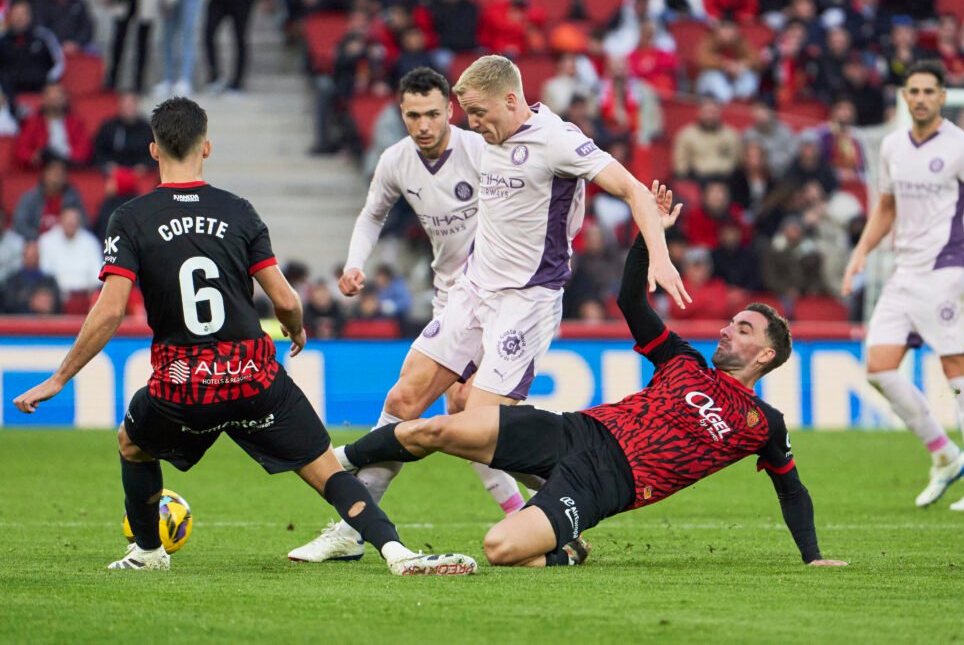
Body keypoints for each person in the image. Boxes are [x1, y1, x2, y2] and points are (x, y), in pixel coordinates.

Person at [12, 97, 476, 576]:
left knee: (132, 443)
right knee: (324, 470)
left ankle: (149, 553)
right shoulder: (239, 212)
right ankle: (397, 553)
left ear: (153, 150)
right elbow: (286, 300)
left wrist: (60, 378)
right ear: (206, 147)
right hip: (252, 373)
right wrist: (295, 331)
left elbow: (109, 312)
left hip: (184, 382)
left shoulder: (130, 218)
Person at [294, 55, 690, 559]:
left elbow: (634, 189)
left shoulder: (557, 140)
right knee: (405, 396)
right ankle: (353, 531)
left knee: (479, 432)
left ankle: (562, 507)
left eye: (476, 113)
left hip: (526, 302)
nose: (470, 124)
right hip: (472, 288)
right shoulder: (481, 139)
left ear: (510, 99)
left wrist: (659, 253)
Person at [331, 184, 846, 569]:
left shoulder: (764, 423)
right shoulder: (684, 360)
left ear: (767, 353)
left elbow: (792, 491)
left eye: (742, 329)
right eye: (731, 323)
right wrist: (651, 235)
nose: (726, 331)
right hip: (577, 430)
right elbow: (630, 301)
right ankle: (331, 461)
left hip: (607, 482)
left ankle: (568, 552)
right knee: (436, 428)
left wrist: (813, 557)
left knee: (500, 548)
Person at [288, 67, 527, 562]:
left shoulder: (481, 151)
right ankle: (354, 530)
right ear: (402, 114)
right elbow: (373, 213)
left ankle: (553, 504)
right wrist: (355, 263)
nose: (423, 125)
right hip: (450, 300)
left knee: (469, 412)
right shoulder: (396, 160)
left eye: (433, 114)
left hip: (499, 299)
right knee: (425, 404)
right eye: (414, 115)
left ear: (450, 112)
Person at [841, 61, 964, 511]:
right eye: (912, 90)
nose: (919, 98)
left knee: (959, 375)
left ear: (942, 97)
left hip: (948, 270)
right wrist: (861, 252)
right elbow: (886, 207)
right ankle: (944, 454)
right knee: (878, 367)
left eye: (928, 91)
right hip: (905, 272)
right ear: (904, 96)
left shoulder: (962, 147)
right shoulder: (893, 146)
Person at [0, 0, 64, 96]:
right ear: (10, 16)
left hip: (41, 88)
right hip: (8, 91)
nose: (19, 18)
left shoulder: (43, 36)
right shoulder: (2, 39)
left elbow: (59, 62)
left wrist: (48, 78)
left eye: (23, 13)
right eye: (16, 14)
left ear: (30, 16)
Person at [93, 92, 157, 172]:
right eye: (126, 106)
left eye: (131, 105)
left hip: (140, 174)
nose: (129, 109)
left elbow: (154, 153)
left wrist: (145, 165)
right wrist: (107, 163)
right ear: (120, 106)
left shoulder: (146, 129)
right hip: (113, 173)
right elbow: (99, 150)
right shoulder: (108, 127)